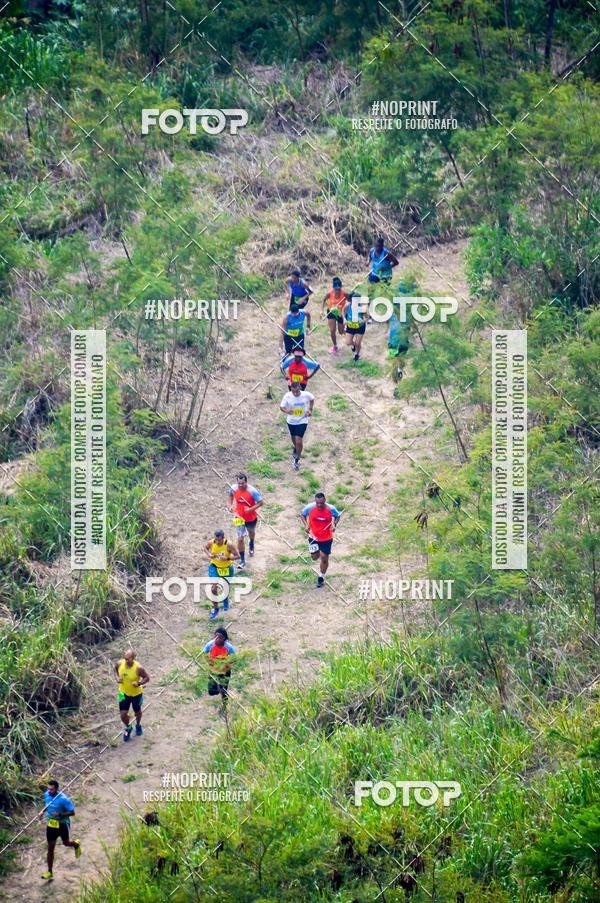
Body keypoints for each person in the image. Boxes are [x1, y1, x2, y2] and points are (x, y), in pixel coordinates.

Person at [41, 780, 81, 880]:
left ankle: (76, 844)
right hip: (51, 825)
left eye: (51, 789)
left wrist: (59, 815)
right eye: (48, 789)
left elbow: (72, 813)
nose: (49, 791)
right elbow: (48, 805)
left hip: (62, 824)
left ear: (57, 789)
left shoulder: (63, 799)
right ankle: (49, 871)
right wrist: (42, 811)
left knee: (66, 843)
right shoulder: (46, 795)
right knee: (50, 848)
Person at [300, 492, 341, 587]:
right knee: (314, 557)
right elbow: (302, 514)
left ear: (325, 501)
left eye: (321, 503)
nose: (319, 505)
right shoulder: (310, 508)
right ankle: (318, 552)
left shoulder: (331, 508)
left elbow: (338, 516)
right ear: (315, 501)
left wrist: (334, 524)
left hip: (327, 538)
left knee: (324, 557)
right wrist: (306, 525)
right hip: (313, 536)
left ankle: (321, 577)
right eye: (317, 503)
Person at [228, 473, 263, 569]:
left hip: (250, 518)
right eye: (239, 483)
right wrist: (230, 505)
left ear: (246, 482)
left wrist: (251, 509)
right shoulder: (234, 488)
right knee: (240, 538)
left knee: (251, 533)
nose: (240, 485)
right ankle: (242, 560)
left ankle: (251, 543)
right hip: (239, 517)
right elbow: (230, 495)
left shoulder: (252, 491)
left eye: (242, 483)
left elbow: (261, 502)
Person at [115, 649, 150, 742]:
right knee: (122, 714)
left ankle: (138, 725)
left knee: (137, 711)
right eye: (125, 658)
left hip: (136, 694)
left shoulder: (139, 668)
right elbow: (115, 671)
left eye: (128, 659)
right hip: (122, 693)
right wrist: (117, 678)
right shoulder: (119, 664)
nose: (126, 661)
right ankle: (128, 727)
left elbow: (147, 678)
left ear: (133, 658)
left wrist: (139, 683)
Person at [204, 530, 240, 619]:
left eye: (219, 540)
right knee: (213, 588)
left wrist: (227, 558)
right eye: (216, 540)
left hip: (226, 568)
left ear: (223, 538)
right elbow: (205, 548)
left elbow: (238, 556)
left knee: (225, 587)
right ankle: (216, 608)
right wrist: (209, 555)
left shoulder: (229, 545)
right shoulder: (211, 542)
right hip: (214, 567)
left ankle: (225, 600)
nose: (217, 542)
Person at [280, 381, 314, 470]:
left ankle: (298, 458)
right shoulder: (287, 396)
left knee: (298, 440)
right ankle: (296, 449)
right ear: (291, 389)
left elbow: (312, 399)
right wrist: (287, 411)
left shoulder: (305, 394)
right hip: (291, 421)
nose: (295, 393)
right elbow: (281, 407)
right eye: (293, 391)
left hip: (302, 420)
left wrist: (310, 409)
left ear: (300, 389)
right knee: (293, 438)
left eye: (297, 391)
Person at [203, 627, 235, 702]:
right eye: (216, 636)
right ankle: (218, 688)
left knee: (224, 690)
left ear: (224, 638)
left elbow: (234, 659)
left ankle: (224, 704)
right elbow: (204, 653)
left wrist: (228, 666)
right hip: (213, 669)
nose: (218, 639)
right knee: (211, 692)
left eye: (220, 637)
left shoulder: (228, 647)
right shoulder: (210, 644)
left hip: (225, 670)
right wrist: (208, 661)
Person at [321, 276, 348, 353]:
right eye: (336, 289)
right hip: (331, 312)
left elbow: (350, 301)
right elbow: (323, 299)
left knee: (341, 331)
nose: (337, 291)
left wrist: (345, 309)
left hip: (341, 313)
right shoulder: (330, 293)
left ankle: (349, 336)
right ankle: (335, 346)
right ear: (333, 288)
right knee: (332, 330)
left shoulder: (345, 294)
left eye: (339, 289)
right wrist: (321, 310)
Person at [345, 292, 370, 362]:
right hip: (350, 326)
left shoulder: (362, 308)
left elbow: (367, 318)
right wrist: (344, 319)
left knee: (358, 343)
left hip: (360, 327)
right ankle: (353, 346)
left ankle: (357, 354)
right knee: (348, 342)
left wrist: (362, 321)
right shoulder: (347, 306)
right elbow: (342, 312)